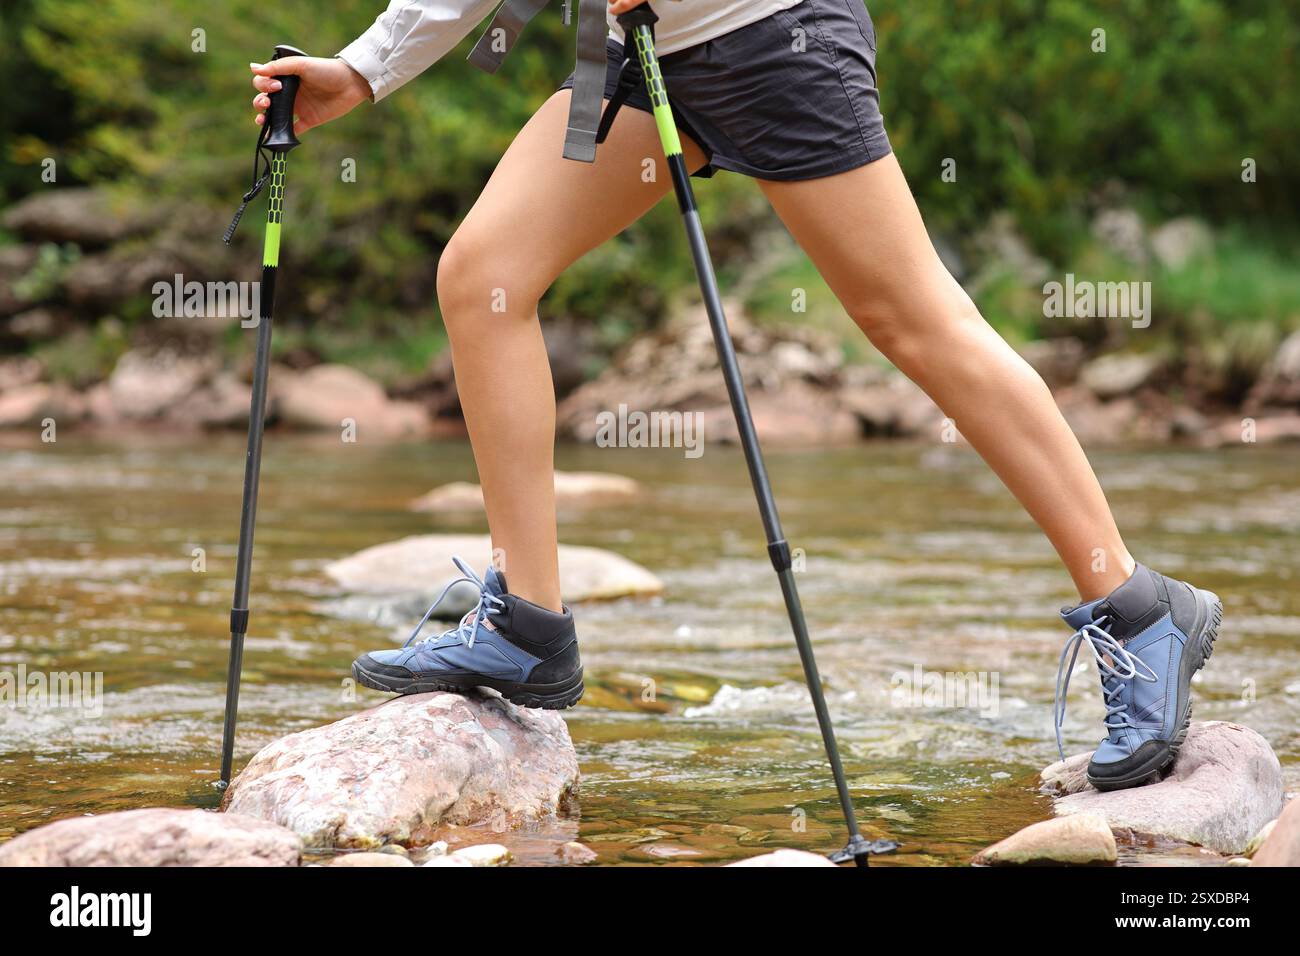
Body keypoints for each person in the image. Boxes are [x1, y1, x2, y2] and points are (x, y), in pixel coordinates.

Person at [249, 0, 1221, 791]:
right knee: (483, 275)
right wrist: (366, 66)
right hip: (640, 54)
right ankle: (527, 622)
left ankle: (1137, 607)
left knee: (912, 322)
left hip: (773, 34)